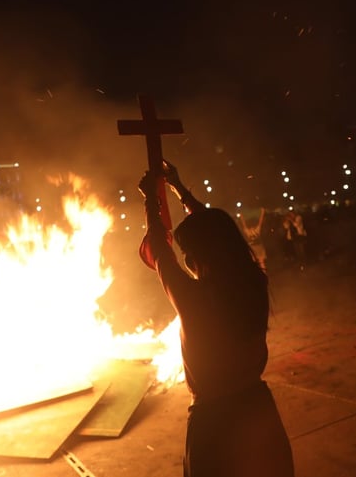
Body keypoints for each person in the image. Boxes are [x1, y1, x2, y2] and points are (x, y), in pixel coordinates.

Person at [138, 160, 295, 477]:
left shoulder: (193, 299)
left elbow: (158, 248)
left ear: (198, 258)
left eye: (189, 255)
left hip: (215, 423)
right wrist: (180, 189)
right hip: (259, 411)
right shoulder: (253, 282)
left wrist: (149, 199)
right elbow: (221, 232)